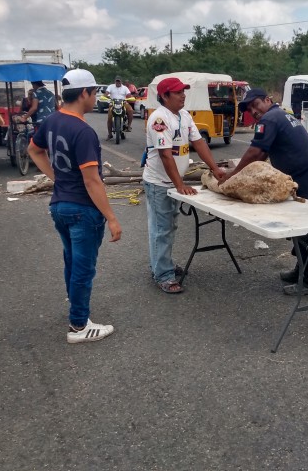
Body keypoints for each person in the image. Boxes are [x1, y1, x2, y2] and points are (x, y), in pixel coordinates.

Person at [27, 69, 121, 344]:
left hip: (59, 205)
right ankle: (79, 325)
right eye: (94, 93)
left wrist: (57, 178)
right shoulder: (83, 131)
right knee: (83, 267)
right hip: (82, 208)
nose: (95, 98)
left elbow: (34, 150)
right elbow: (92, 181)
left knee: (71, 257)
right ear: (84, 93)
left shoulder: (52, 120)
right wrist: (112, 218)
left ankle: (74, 302)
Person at [219, 88, 308, 296]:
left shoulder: (269, 119)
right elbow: (261, 156)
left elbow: (256, 153)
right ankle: (301, 271)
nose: (253, 111)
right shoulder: (282, 115)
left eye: (256, 104)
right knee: (301, 231)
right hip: (306, 180)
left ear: (268, 100)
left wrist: (233, 175)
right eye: (249, 108)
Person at [142, 77, 225, 294]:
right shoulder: (159, 119)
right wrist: (179, 185)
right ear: (165, 96)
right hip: (159, 182)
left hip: (170, 182)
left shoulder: (184, 116)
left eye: (183, 91)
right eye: (178, 92)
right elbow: (165, 155)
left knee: (168, 227)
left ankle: (162, 264)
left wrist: (215, 169)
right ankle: (163, 275)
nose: (183, 95)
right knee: (162, 229)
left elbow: (199, 143)